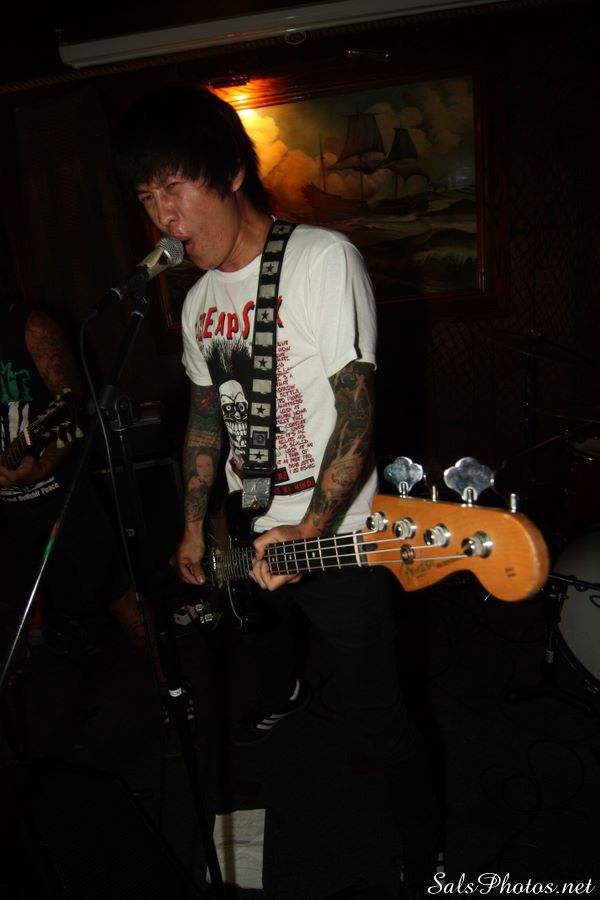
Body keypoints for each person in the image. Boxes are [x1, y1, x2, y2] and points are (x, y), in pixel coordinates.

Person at [112, 84, 441, 897]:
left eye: (174, 187)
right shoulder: (196, 302)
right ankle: (285, 693)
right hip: (248, 528)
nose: (164, 217)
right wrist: (195, 523)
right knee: (262, 640)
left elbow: (357, 408)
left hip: (332, 540)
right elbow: (203, 418)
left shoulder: (320, 260)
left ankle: (425, 853)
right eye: (147, 197)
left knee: (380, 715)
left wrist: (311, 528)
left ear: (229, 172)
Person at [0, 293, 161, 673]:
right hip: (5, 513)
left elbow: (71, 412)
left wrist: (44, 465)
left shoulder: (32, 327)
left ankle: (170, 685)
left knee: (119, 596)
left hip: (57, 498)